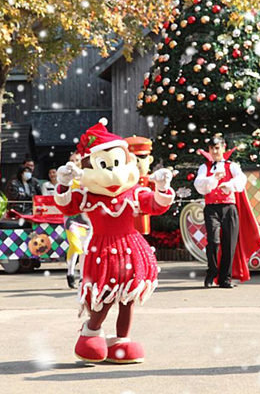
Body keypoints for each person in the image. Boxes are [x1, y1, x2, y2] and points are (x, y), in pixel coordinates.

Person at [54, 120, 175, 363]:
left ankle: (121, 340)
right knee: (104, 296)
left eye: (117, 163)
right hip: (102, 251)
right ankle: (91, 330)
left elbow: (155, 205)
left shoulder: (134, 193)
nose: (111, 172)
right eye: (103, 165)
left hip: (131, 250)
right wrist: (64, 184)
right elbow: (66, 205)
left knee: (128, 299)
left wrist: (162, 188)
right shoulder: (87, 194)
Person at [194, 136, 260, 288]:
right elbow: (199, 185)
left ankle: (225, 278)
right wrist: (212, 180)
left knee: (229, 244)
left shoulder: (232, 166)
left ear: (223, 148)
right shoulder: (204, 167)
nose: (215, 151)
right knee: (213, 240)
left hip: (229, 208)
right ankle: (212, 272)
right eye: (212, 148)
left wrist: (229, 184)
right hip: (211, 208)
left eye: (217, 148)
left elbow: (241, 180)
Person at [62, 153, 89, 289]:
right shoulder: (68, 179)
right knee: (75, 245)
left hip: (86, 219)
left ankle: (83, 276)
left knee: (84, 249)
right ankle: (70, 273)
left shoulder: (87, 178)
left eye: (76, 160)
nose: (74, 162)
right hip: (71, 218)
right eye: (71, 160)